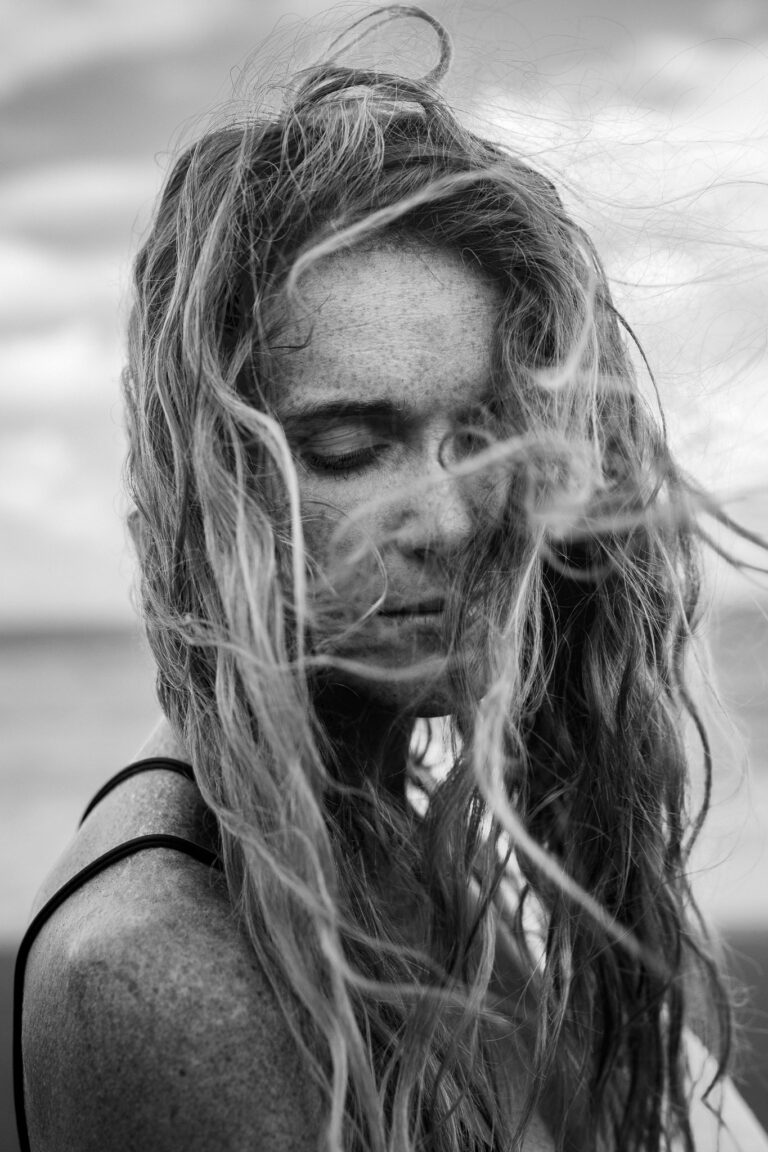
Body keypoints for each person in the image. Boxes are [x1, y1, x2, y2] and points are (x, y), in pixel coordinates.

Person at [13, 6, 768, 1150]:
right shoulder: (161, 968)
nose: (453, 517)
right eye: (351, 449)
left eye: (482, 436)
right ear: (207, 493)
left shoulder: (427, 833)